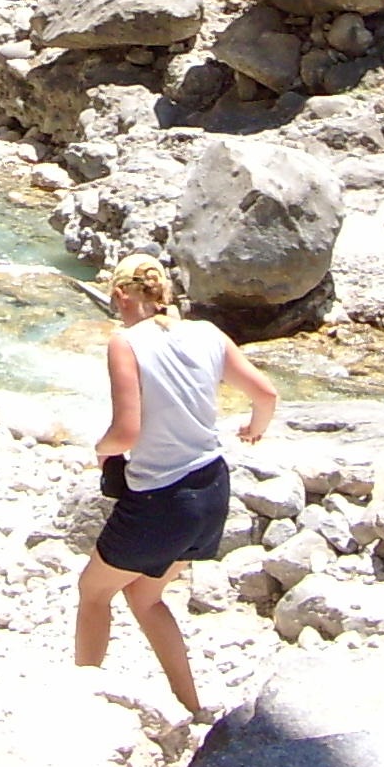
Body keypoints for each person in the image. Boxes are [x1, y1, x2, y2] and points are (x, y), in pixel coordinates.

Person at [75, 257, 279, 714]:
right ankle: (191, 706)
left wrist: (101, 450)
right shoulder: (207, 333)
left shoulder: (126, 342)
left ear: (122, 296)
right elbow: (266, 394)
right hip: (212, 489)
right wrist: (254, 429)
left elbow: (126, 433)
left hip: (161, 499)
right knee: (145, 596)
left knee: (93, 592)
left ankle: (82, 702)